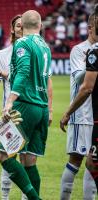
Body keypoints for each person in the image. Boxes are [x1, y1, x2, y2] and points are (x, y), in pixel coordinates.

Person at [0, 10, 52, 199]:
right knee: (29, 161)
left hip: (25, 106)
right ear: (40, 25)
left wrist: (9, 101)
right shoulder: (45, 46)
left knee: (5, 156)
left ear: (21, 26)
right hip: (42, 108)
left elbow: (22, 72)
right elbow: (46, 80)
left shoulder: (22, 43)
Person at [60, 4, 98, 193]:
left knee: (94, 163)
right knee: (76, 160)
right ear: (90, 28)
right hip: (81, 115)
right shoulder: (79, 50)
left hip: (95, 114)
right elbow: (77, 77)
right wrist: (92, 66)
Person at [0, 15, 23, 200]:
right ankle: (5, 197)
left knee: (26, 159)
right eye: (18, 26)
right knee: (7, 157)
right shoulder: (2, 55)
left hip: (27, 109)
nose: (20, 28)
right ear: (12, 29)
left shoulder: (32, 52)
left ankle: (27, 195)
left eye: (23, 26)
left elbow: (27, 80)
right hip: (8, 113)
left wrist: (4, 74)